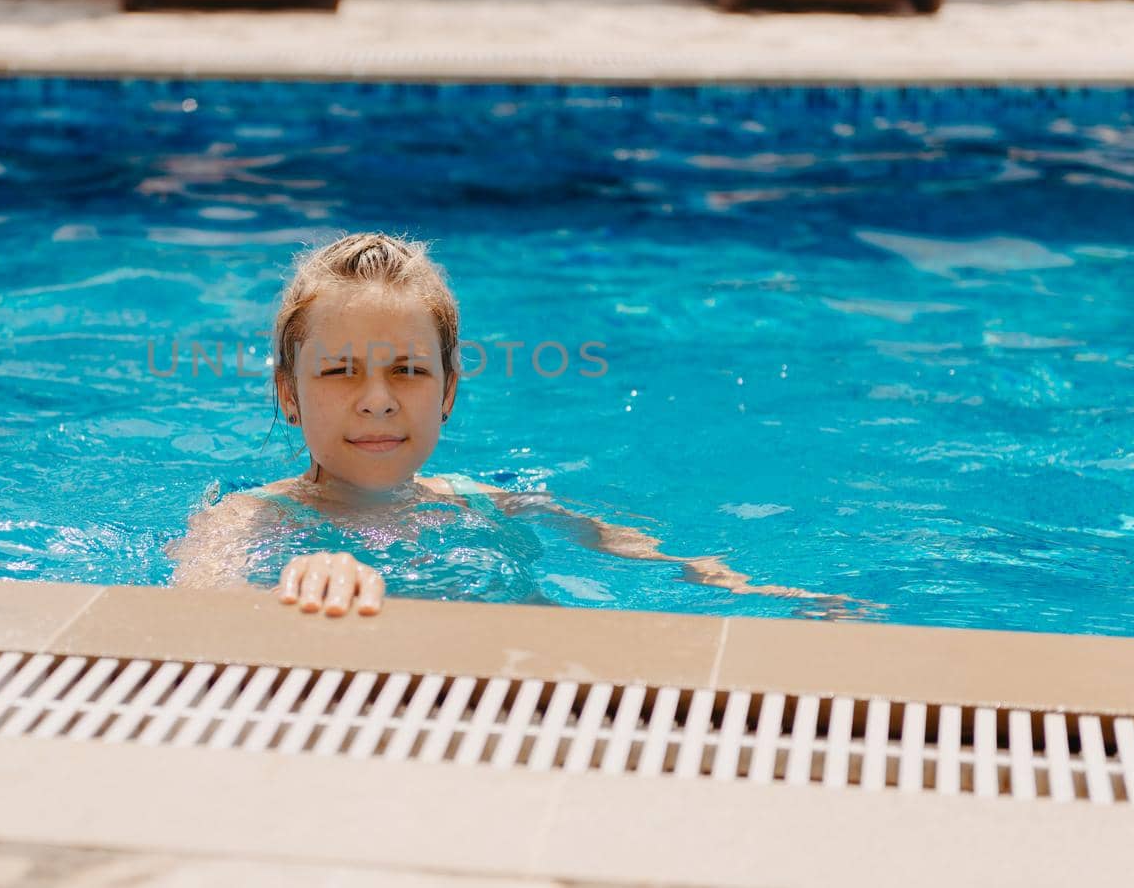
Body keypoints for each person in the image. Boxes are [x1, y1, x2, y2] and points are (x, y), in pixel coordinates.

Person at [170, 232, 844, 618]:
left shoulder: (489, 501)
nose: (377, 400)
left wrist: (763, 594)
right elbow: (198, 605)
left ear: (449, 392)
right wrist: (299, 579)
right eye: (340, 371)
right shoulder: (250, 521)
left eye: (407, 370)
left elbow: (652, 558)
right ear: (288, 393)